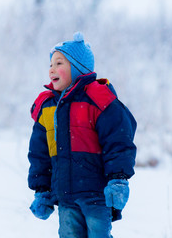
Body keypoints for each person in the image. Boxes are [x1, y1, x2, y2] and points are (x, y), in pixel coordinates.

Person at [27, 31, 137, 238]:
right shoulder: (48, 106)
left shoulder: (98, 100)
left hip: (96, 194)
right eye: (50, 64)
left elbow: (119, 142)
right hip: (66, 194)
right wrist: (41, 189)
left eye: (59, 63)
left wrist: (118, 179)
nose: (52, 69)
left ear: (78, 67)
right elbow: (39, 153)